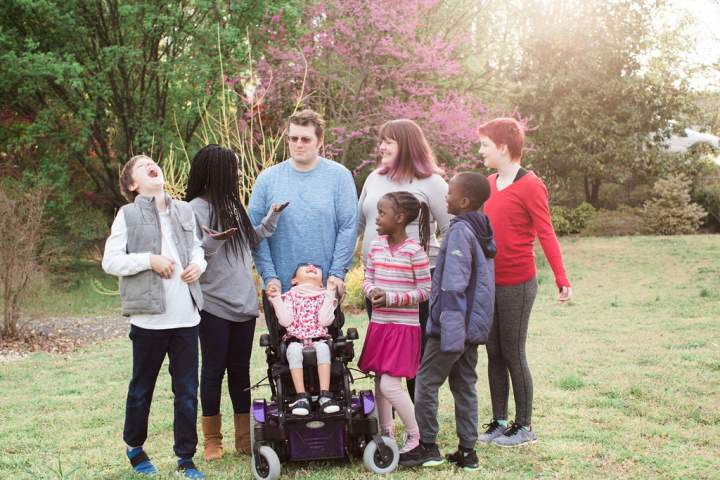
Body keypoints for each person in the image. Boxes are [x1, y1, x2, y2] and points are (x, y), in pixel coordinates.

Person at [102, 154, 207, 479]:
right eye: (141, 165)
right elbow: (111, 261)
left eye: (151, 161)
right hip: (148, 321)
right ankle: (135, 447)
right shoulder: (127, 214)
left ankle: (186, 458)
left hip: (186, 319)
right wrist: (149, 260)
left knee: (187, 392)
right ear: (134, 184)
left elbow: (198, 248)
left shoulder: (185, 210)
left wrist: (198, 265)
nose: (151, 164)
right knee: (141, 389)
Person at [185, 144, 287, 460]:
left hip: (244, 304)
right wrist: (211, 242)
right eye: (234, 169)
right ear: (217, 172)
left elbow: (250, 241)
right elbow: (192, 256)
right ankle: (212, 440)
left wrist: (271, 218)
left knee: (240, 372)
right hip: (213, 305)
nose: (239, 174)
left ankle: (244, 438)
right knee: (213, 371)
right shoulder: (192, 210)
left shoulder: (233, 206)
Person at [477, 117, 572, 447]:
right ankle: (500, 421)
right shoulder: (488, 184)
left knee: (512, 352)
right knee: (493, 352)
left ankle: (524, 426)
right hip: (490, 282)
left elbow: (546, 232)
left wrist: (561, 277)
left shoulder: (531, 185)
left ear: (503, 147)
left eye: (485, 145)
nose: (481, 151)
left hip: (518, 283)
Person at [399, 173, 495, 471]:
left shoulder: (459, 232)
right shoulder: (481, 229)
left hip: (452, 327)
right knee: (464, 385)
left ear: (464, 201)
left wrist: (449, 333)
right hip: (470, 326)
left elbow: (454, 283)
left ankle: (427, 447)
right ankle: (468, 452)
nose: (446, 196)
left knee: (425, 381)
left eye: (450, 193)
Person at [357, 118, 450, 401]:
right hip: (378, 281)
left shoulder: (432, 183)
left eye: (389, 141)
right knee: (385, 351)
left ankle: (419, 414)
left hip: (414, 284)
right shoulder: (374, 178)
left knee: (413, 354)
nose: (382, 147)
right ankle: (389, 415)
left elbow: (451, 230)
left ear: (407, 145)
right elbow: (358, 224)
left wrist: (449, 276)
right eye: (381, 141)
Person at [248, 109, 358, 294]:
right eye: (293, 138)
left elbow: (348, 227)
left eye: (306, 139)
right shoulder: (267, 179)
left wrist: (337, 274)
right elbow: (254, 230)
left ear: (320, 141)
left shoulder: (340, 177)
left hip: (325, 288)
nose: (298, 144)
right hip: (278, 290)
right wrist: (269, 276)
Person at [358, 191, 432, 454]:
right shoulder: (376, 246)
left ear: (399, 218)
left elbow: (425, 291)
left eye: (382, 213)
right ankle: (386, 433)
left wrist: (391, 298)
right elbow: (368, 279)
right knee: (380, 382)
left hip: (403, 329)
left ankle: (416, 435)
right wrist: (371, 292)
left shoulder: (415, 252)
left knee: (390, 385)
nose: (377, 218)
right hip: (381, 325)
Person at [267, 263, 340, 416]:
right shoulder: (290, 296)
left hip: (319, 339)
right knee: (293, 351)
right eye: (305, 266)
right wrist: (276, 299)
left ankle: (325, 395)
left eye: (317, 268)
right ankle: (301, 396)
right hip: (296, 340)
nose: (311, 266)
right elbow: (286, 321)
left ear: (321, 283)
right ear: (294, 280)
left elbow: (325, 320)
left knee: (324, 349)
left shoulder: (324, 295)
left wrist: (330, 292)